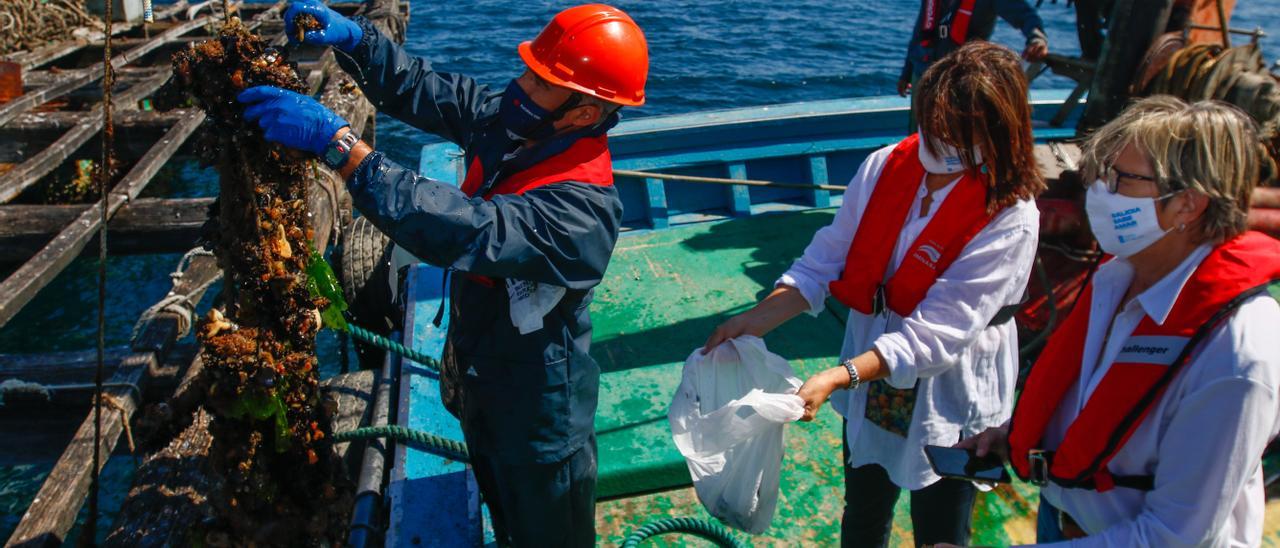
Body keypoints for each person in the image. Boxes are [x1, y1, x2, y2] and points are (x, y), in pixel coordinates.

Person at [235, 2, 648, 545]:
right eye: (528, 70)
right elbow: (430, 90)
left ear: (585, 112)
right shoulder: (521, 124)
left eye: (541, 81)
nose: (520, 86)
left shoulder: (582, 215)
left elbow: (466, 228)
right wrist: (360, 42)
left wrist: (343, 148)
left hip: (538, 412)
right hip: (481, 375)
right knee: (500, 508)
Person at [703, 41, 1044, 547]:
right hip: (870, 375)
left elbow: (939, 333)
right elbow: (828, 257)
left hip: (947, 385)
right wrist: (754, 321)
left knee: (942, 525)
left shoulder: (1012, 215)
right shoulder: (887, 166)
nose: (943, 141)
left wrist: (838, 377)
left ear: (999, 130)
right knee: (863, 506)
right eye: (935, 124)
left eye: (960, 130)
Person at [955, 97, 1280, 546]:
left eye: (1121, 179)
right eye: (1102, 174)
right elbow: (1106, 397)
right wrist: (1013, 432)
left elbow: (1174, 537)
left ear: (1187, 203)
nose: (1099, 192)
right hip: (1063, 520)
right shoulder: (1119, 277)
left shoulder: (1238, 355)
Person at [899, 0, 1050, 130]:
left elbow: (1025, 15)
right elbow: (919, 33)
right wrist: (906, 73)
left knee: (953, 138)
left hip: (960, 82)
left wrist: (1037, 39)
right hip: (923, 77)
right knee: (918, 135)